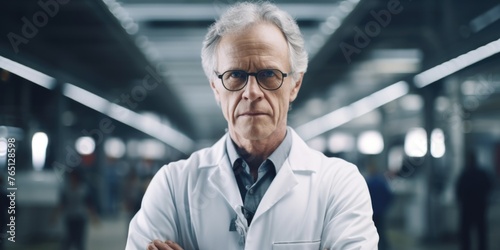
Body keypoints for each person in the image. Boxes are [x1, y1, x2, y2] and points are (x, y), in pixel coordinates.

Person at [126, 2, 378, 249]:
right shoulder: (173, 186)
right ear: (215, 87)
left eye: (269, 74)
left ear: (295, 85)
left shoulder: (339, 184)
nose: (251, 92)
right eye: (235, 75)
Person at [456, 151, 492, 250]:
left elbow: (458, 191)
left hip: (467, 208)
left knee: (467, 234)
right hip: (479, 207)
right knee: (481, 233)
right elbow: (489, 187)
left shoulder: (464, 175)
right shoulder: (481, 174)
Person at [366, 163, 393, 250]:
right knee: (380, 230)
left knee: (371, 231)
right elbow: (389, 196)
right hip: (380, 211)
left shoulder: (368, 182)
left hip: (371, 211)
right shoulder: (381, 182)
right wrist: (384, 207)